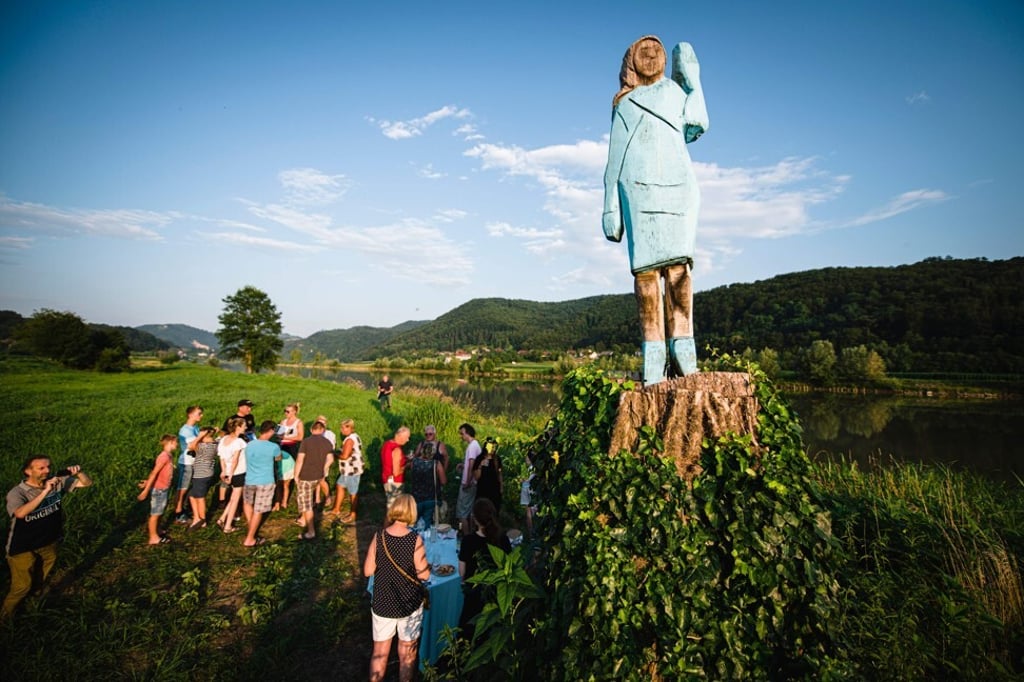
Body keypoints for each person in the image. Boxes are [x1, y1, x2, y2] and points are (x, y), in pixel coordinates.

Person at [602, 35, 709, 385]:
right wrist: (610, 206)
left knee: (679, 272)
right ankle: (653, 349)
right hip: (638, 192)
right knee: (646, 277)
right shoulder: (626, 104)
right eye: (641, 51)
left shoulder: (677, 94)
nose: (650, 54)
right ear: (631, 61)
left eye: (655, 50)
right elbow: (614, 160)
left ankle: (683, 343)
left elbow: (698, 124)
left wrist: (691, 77)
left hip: (679, 188)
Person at [3, 457, 92, 619]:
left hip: (48, 541)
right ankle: (5, 617)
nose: (47, 471)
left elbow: (87, 483)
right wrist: (45, 492)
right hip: (22, 546)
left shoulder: (56, 482)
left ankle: (32, 604)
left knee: (40, 578)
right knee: (22, 586)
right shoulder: (18, 493)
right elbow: (20, 513)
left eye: (48, 467)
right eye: (41, 468)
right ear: (28, 471)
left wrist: (79, 473)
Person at [363, 493, 430, 682]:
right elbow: (424, 574)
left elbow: (368, 571)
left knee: (380, 652)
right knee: (407, 653)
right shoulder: (414, 540)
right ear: (412, 512)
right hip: (408, 604)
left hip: (383, 602)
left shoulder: (379, 537)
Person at [458, 497, 511, 641]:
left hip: (474, 597)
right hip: (496, 594)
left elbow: (461, 573)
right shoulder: (503, 538)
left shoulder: (468, 541)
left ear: (475, 519)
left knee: (468, 634)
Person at [242, 420, 282, 547]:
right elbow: (278, 458)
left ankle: (251, 526)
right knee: (259, 510)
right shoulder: (273, 447)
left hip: (249, 479)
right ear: (270, 431)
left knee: (248, 503)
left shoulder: (249, 445)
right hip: (265, 481)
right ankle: (250, 538)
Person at [293, 420, 333, 540]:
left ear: (311, 430)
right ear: (322, 430)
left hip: (306, 476)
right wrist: (323, 468)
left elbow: (300, 459)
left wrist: (296, 475)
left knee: (306, 505)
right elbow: (330, 459)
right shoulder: (327, 442)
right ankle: (303, 519)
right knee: (309, 498)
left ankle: (311, 531)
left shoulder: (306, 442)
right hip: (318, 476)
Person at [137, 434, 176, 545]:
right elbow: (154, 473)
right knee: (155, 514)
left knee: (160, 512)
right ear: (170, 442)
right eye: (176, 442)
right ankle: (153, 537)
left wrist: (147, 482)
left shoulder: (169, 455)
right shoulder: (164, 457)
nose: (177, 445)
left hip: (163, 488)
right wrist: (145, 490)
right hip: (159, 490)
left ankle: (157, 530)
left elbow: (157, 474)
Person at [216, 417, 248, 534]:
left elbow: (222, 458)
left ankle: (222, 518)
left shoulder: (224, 439)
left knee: (233, 498)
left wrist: (224, 471)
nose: (246, 427)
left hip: (228, 471)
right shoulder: (239, 442)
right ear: (238, 427)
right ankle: (228, 526)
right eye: (244, 425)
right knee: (235, 500)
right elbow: (235, 460)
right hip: (238, 473)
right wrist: (230, 474)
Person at [407, 435, 447, 526]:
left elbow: (405, 468)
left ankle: (414, 538)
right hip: (431, 498)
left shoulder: (414, 462)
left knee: (415, 523)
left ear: (422, 451)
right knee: (428, 524)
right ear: (433, 453)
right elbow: (444, 481)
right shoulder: (436, 464)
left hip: (416, 498)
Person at [329, 419, 363, 523]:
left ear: (350, 428)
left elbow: (344, 456)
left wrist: (334, 454)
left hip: (351, 470)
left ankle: (353, 514)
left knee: (353, 492)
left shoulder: (349, 440)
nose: (341, 430)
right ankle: (336, 509)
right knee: (340, 485)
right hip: (346, 470)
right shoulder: (354, 436)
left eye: (343, 427)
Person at [173, 405, 203, 524]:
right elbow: (192, 446)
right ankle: (178, 513)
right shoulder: (185, 430)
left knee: (187, 487)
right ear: (190, 415)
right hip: (186, 463)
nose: (201, 415)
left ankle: (182, 508)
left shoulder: (194, 427)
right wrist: (202, 437)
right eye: (199, 413)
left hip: (193, 461)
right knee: (182, 488)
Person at [187, 426, 219, 531]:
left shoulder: (203, 446)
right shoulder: (215, 444)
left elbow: (191, 446)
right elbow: (218, 438)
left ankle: (203, 520)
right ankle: (197, 517)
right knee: (192, 495)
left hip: (201, 475)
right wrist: (214, 432)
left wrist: (199, 436)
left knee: (200, 498)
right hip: (207, 473)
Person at [275, 403, 303, 510]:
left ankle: (291, 494)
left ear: (294, 412)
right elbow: (277, 435)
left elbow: (300, 437)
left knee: (293, 470)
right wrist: (280, 437)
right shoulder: (283, 422)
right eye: (285, 411)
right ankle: (279, 497)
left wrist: (286, 437)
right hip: (282, 447)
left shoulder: (298, 422)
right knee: (281, 470)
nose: (286, 413)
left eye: (288, 411)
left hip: (293, 447)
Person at [456, 423, 481, 536]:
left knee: (462, 513)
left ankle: (466, 538)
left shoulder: (472, 446)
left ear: (468, 433)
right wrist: (463, 465)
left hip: (468, 484)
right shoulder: (476, 445)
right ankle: (471, 536)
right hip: (474, 483)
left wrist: (467, 481)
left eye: (462, 433)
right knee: (470, 512)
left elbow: (472, 464)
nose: (461, 436)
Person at [380, 426, 411, 511]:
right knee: (393, 510)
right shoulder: (397, 450)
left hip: (386, 479)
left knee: (391, 508)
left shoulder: (387, 444)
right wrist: (407, 466)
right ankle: (388, 524)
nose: (408, 440)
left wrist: (404, 458)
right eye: (407, 437)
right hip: (395, 482)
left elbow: (390, 459)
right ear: (401, 436)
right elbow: (396, 472)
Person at [472, 436, 504, 514]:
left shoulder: (497, 459)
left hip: (494, 491)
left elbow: (499, 473)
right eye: (491, 446)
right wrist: (480, 466)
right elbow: (476, 477)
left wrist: (501, 487)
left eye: (494, 447)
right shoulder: (479, 459)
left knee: (494, 513)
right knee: (482, 512)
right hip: (483, 491)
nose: (493, 449)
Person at [315, 415, 336, 506]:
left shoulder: (330, 434)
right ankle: (317, 498)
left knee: (321, 479)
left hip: (325, 459)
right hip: (315, 458)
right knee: (316, 479)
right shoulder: (315, 433)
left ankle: (327, 497)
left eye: (323, 422)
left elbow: (331, 448)